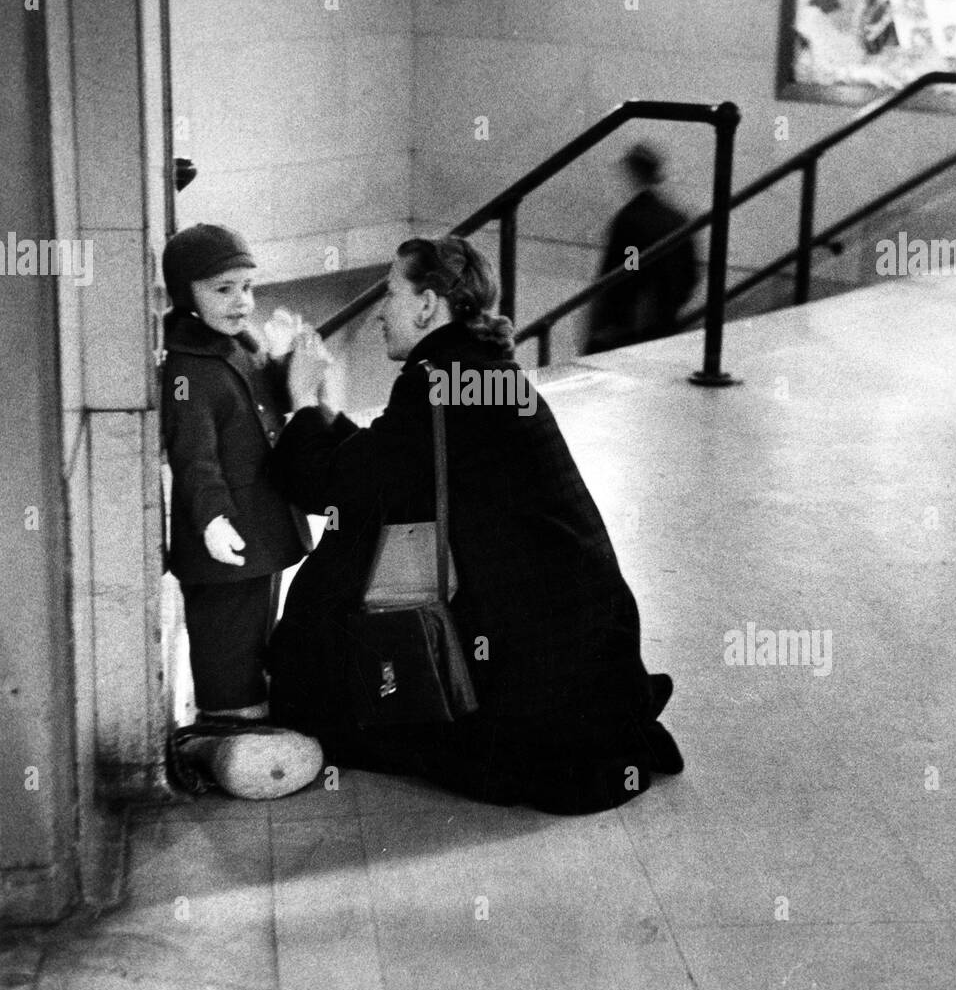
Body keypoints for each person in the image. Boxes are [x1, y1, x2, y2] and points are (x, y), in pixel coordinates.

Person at [265, 234, 683, 815]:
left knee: (329, 608)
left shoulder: (439, 379)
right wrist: (324, 414)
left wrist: (301, 402)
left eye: (390, 292)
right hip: (579, 638)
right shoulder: (475, 369)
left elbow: (340, 486)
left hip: (537, 657)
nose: (381, 311)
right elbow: (387, 464)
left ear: (428, 304)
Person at [160, 222, 323, 799]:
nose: (242, 302)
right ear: (186, 294)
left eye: (248, 286)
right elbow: (194, 457)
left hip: (261, 527)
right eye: (223, 289)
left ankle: (249, 726)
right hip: (228, 535)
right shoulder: (184, 370)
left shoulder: (237, 344)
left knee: (256, 628)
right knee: (226, 637)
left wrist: (283, 366)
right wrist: (210, 519)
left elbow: (265, 407)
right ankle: (230, 732)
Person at [584, 144, 697, 355]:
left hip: (631, 327)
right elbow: (690, 274)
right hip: (666, 321)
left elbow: (627, 270)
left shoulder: (630, 219)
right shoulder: (677, 218)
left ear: (633, 173)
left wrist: (602, 322)